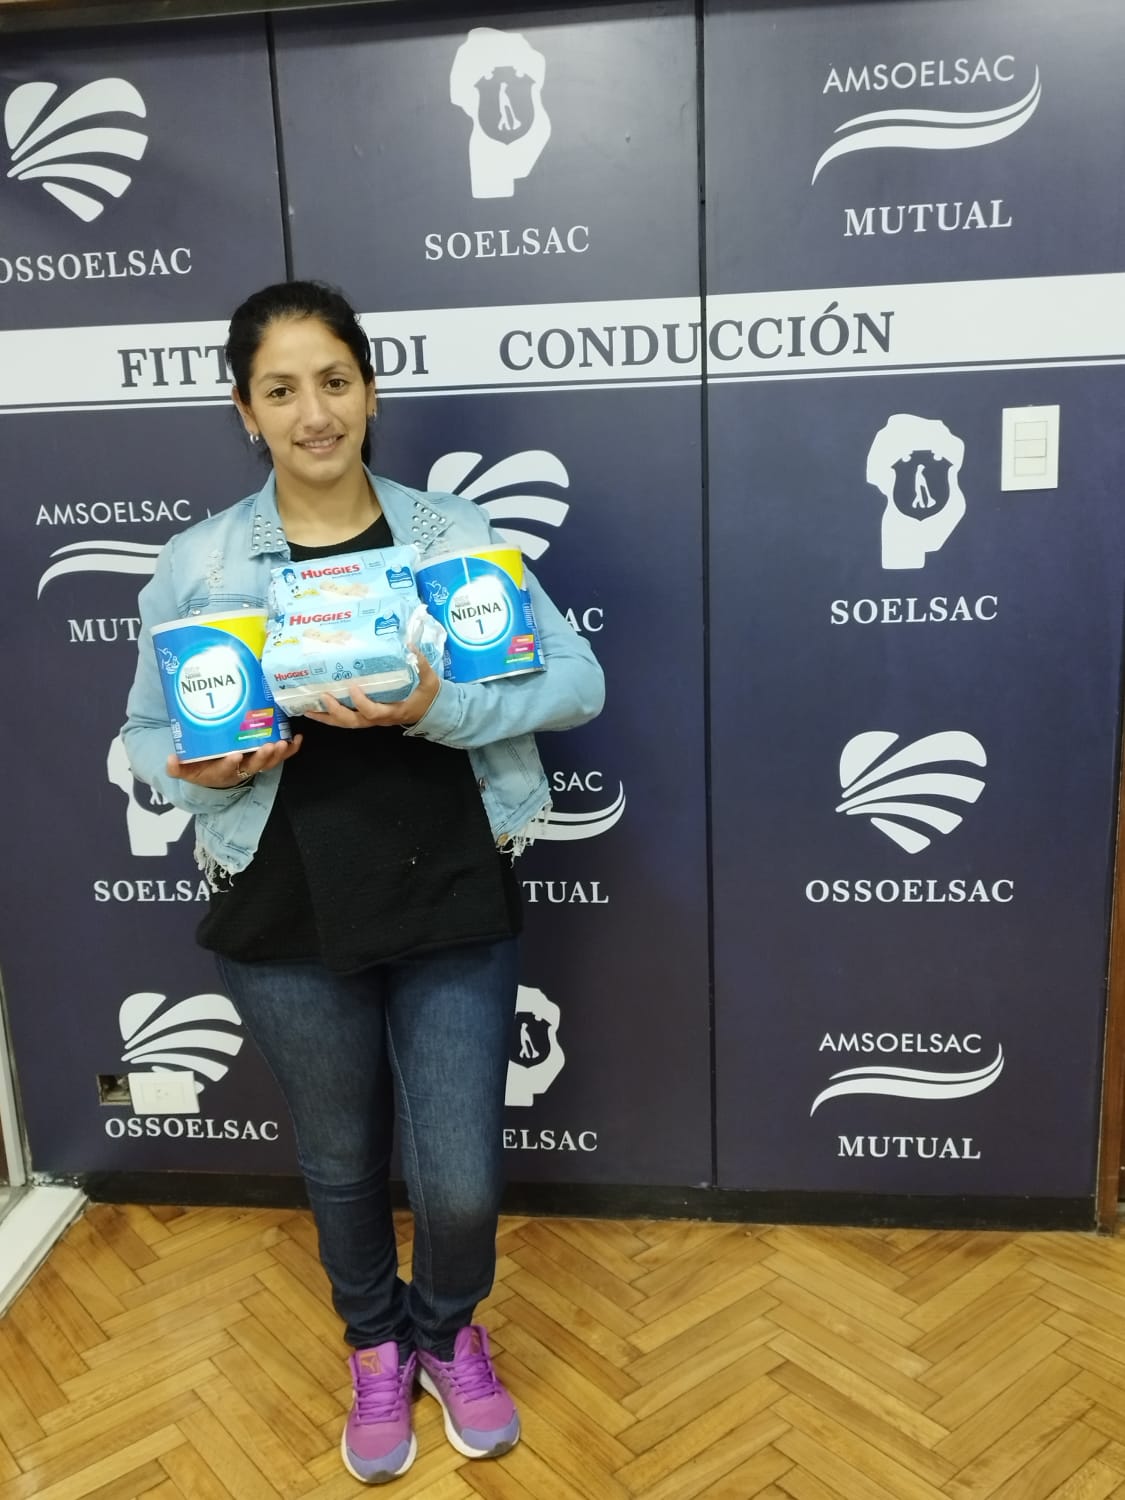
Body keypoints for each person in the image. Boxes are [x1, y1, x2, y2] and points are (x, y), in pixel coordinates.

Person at [122, 280, 605, 1485]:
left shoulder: (453, 536)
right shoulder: (199, 564)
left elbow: (576, 683)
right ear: (246, 413)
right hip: (283, 900)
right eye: (281, 390)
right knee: (340, 1163)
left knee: (460, 1180)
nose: (315, 413)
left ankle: (447, 1333)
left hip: (449, 886)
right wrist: (203, 767)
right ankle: (375, 1347)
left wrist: (443, 706)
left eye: (334, 381)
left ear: (371, 392)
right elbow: (146, 735)